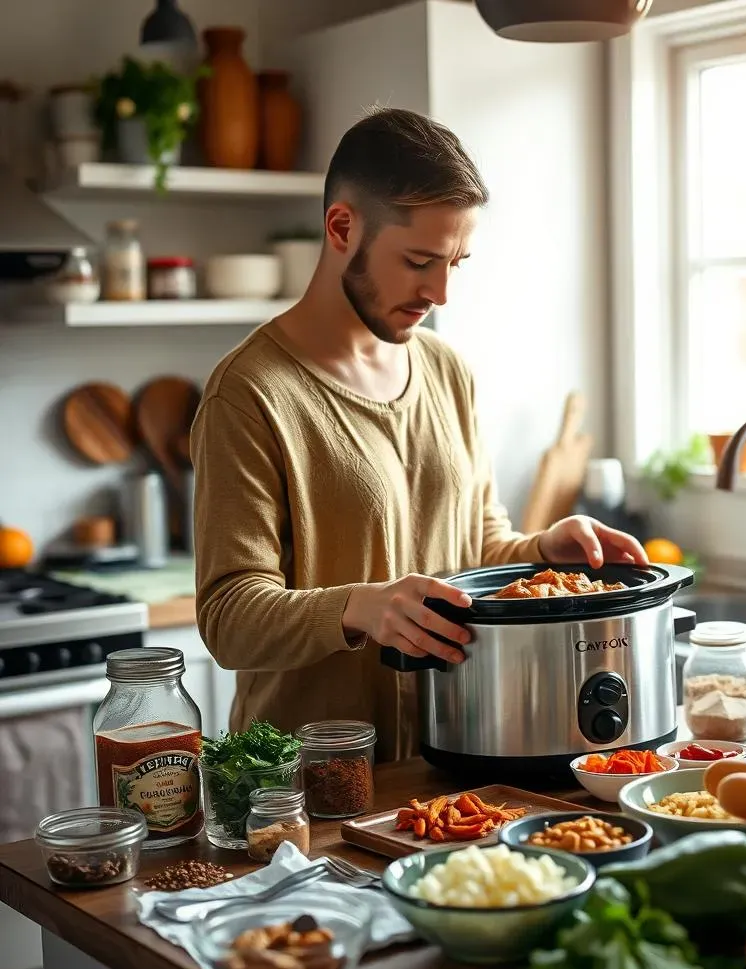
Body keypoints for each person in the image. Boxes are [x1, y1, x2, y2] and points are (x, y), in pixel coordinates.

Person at [191, 107, 646, 762]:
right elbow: (229, 619)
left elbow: (478, 546)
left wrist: (544, 551)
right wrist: (361, 609)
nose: (440, 292)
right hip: (313, 783)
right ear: (343, 228)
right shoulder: (250, 393)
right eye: (419, 261)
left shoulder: (446, 370)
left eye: (456, 263)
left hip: (457, 758)